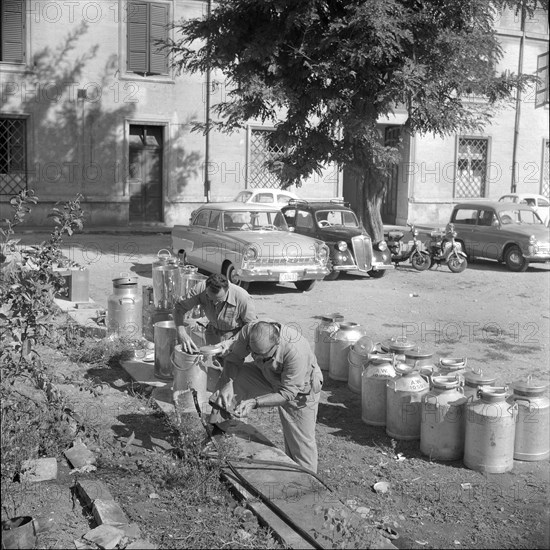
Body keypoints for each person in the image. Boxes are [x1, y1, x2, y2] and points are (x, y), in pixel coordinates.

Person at [211, 320, 324, 473]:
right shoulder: (249, 332)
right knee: (230, 382)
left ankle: (307, 485)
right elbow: (234, 358)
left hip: (300, 391)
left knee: (301, 446)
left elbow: (287, 393)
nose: (256, 357)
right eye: (253, 352)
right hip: (266, 374)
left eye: (262, 354)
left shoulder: (296, 350)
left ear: (276, 344)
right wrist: (228, 382)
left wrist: (254, 403)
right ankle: (220, 438)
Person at [174, 273, 257, 353]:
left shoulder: (243, 299)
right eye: (210, 299)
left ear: (227, 290)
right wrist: (181, 332)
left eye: (219, 300)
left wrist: (229, 343)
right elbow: (179, 308)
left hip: (235, 338)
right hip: (213, 332)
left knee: (230, 365)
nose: (215, 303)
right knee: (210, 363)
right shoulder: (200, 289)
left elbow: (251, 327)